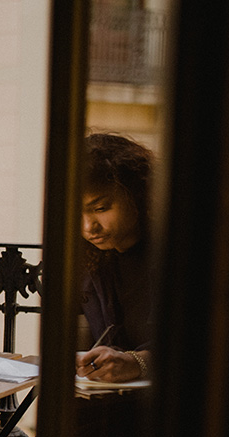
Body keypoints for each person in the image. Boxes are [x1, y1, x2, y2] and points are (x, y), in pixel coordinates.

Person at [74, 132, 156, 383]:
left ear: (137, 197)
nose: (89, 227)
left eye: (100, 208)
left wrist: (138, 362)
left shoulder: (175, 253)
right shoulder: (90, 260)